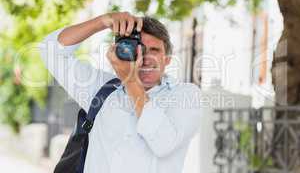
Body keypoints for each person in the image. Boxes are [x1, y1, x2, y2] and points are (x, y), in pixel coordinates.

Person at [39, 12, 203, 173]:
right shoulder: (101, 89)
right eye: (138, 49)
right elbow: (51, 50)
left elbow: (163, 143)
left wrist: (130, 80)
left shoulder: (186, 95)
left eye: (154, 50)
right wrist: (102, 21)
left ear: (167, 59)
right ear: (120, 51)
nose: (145, 58)